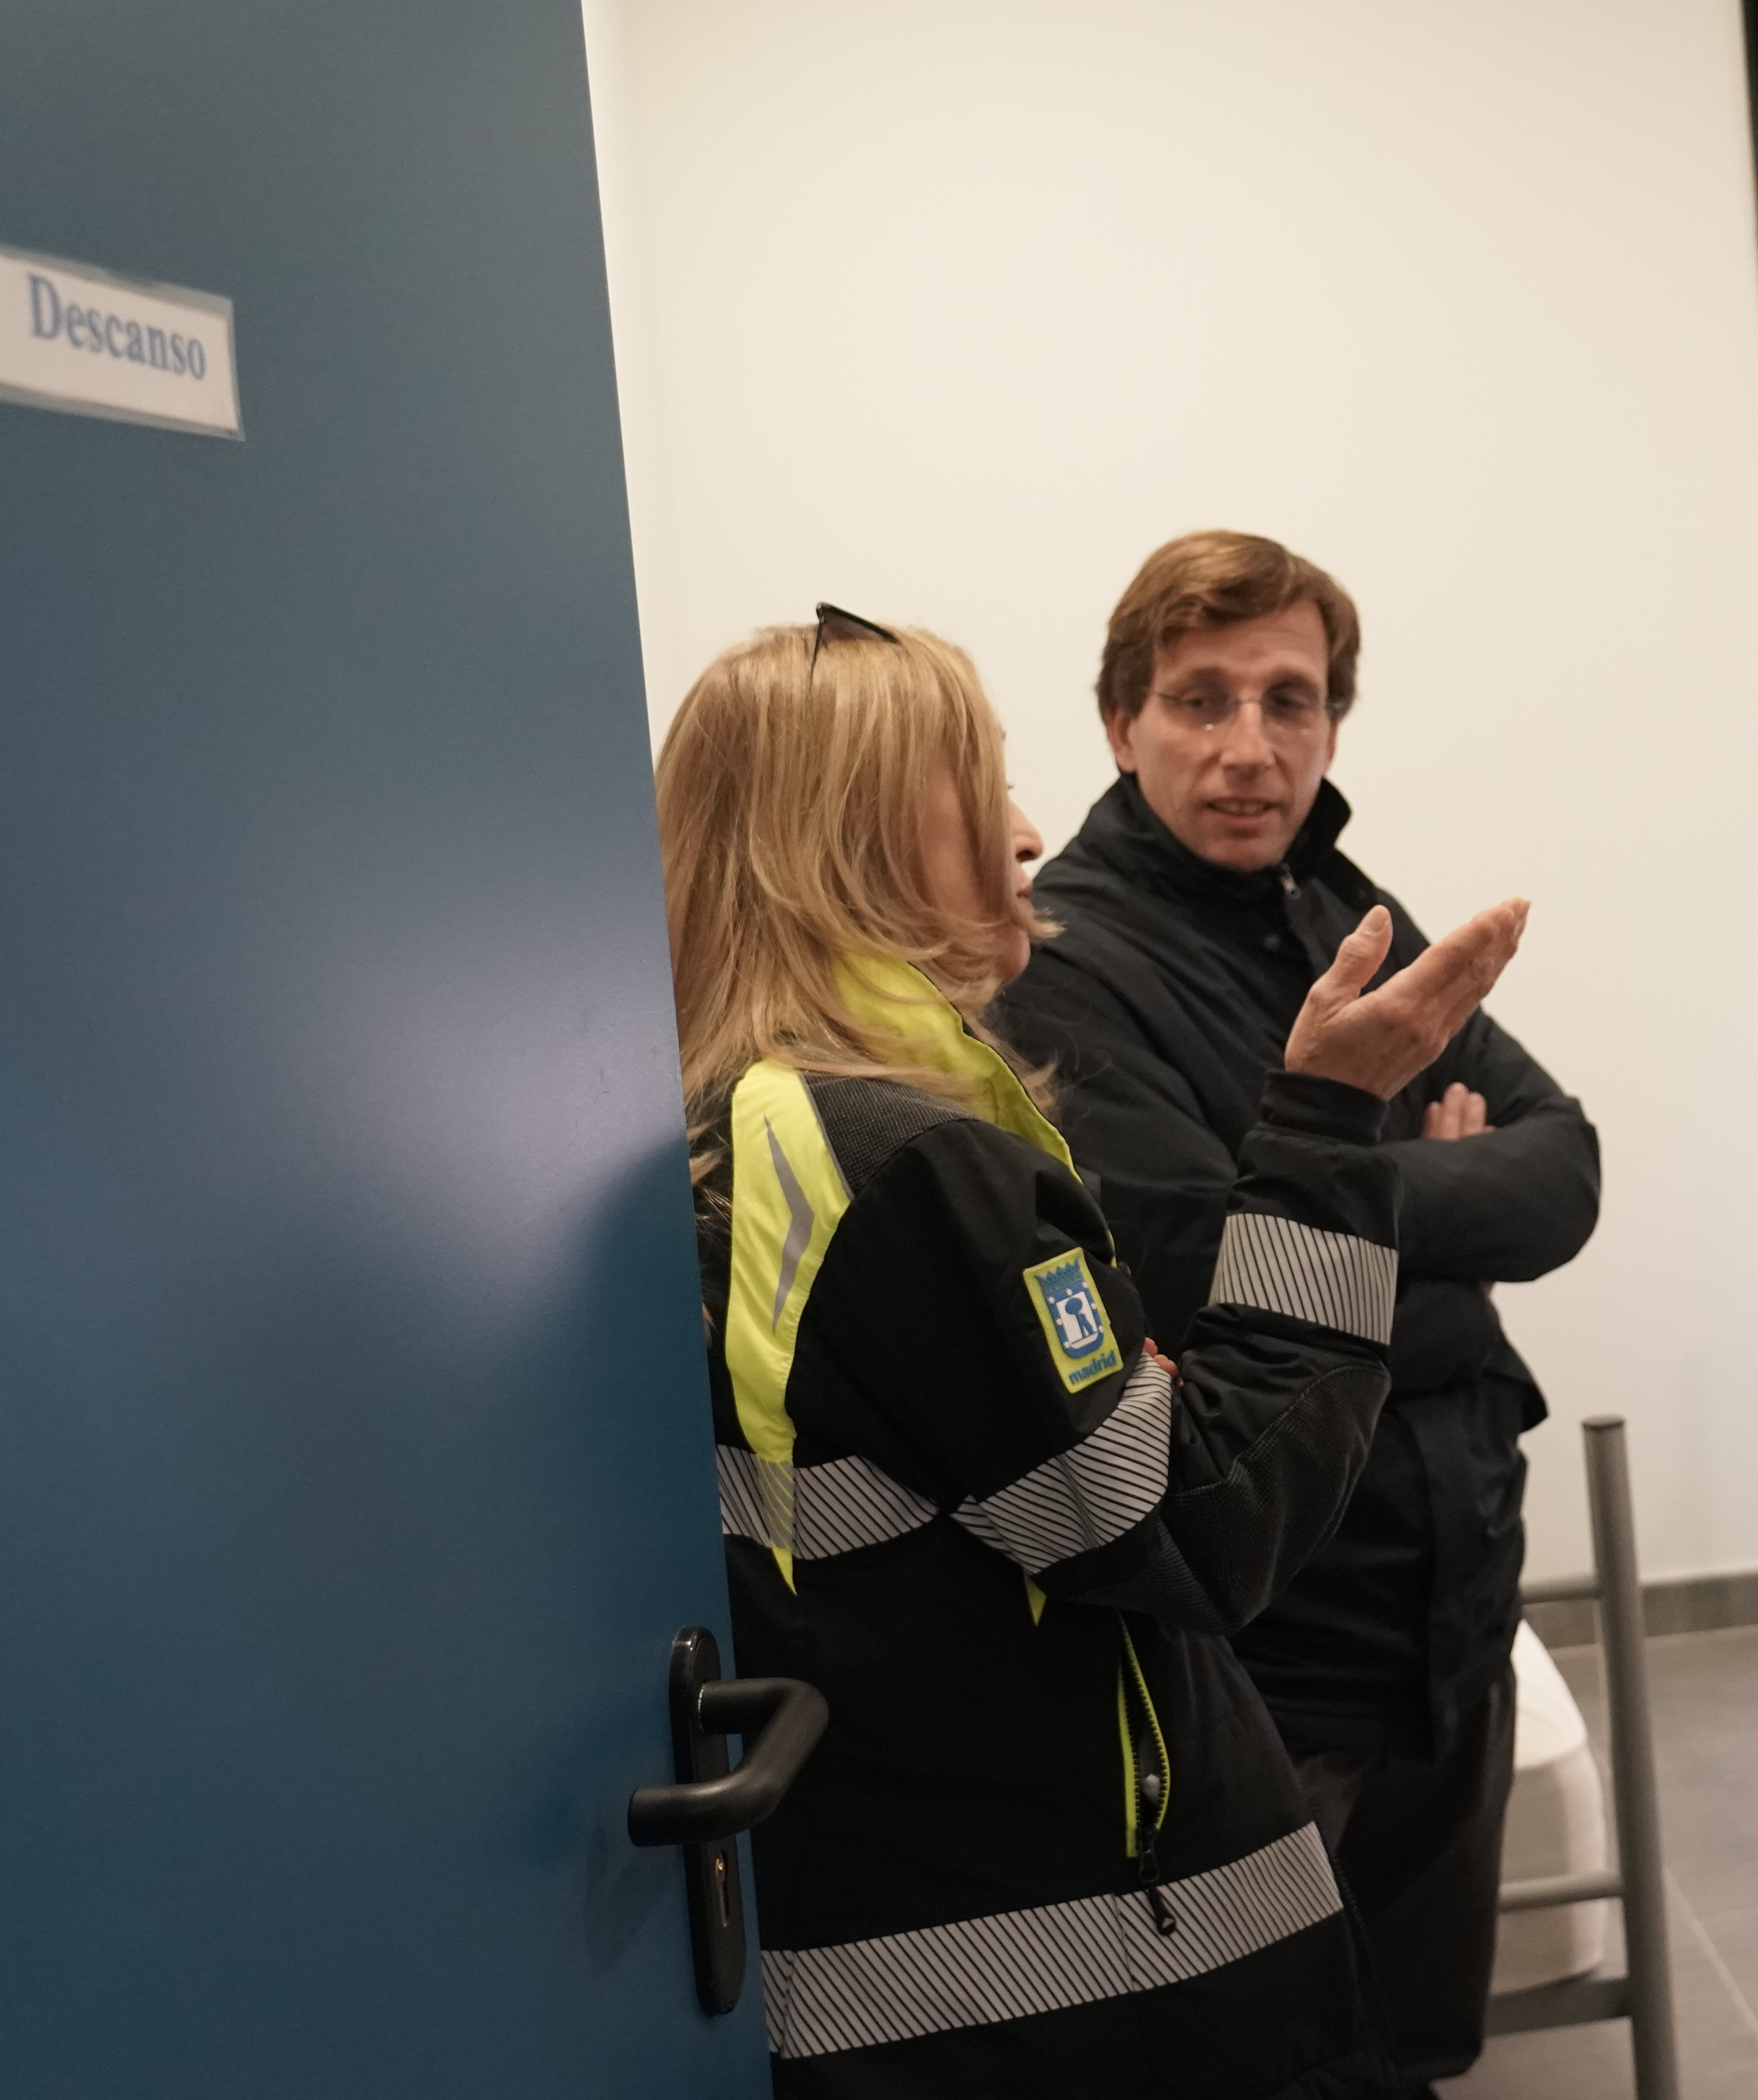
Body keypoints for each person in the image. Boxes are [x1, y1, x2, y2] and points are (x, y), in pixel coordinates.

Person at [654, 603, 1530, 2097]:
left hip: (917, 1928)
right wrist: (1329, 1132)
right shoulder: (911, 1164)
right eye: (977, 785)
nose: (1025, 829)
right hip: (1082, 1985)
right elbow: (1203, 1523)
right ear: (848, 837)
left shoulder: (734, 1127)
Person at [992, 533, 1600, 2094]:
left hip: (1452, 1598)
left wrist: (1331, 1200)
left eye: (1292, 699)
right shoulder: (1065, 960)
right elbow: (1196, 1257)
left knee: (1413, 2046)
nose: (1251, 746)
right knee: (1272, 2060)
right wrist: (1416, 1193)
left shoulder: (1340, 903)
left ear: (1334, 720)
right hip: (1278, 1628)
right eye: (1202, 699)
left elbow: (1563, 1173)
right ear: (1121, 723)